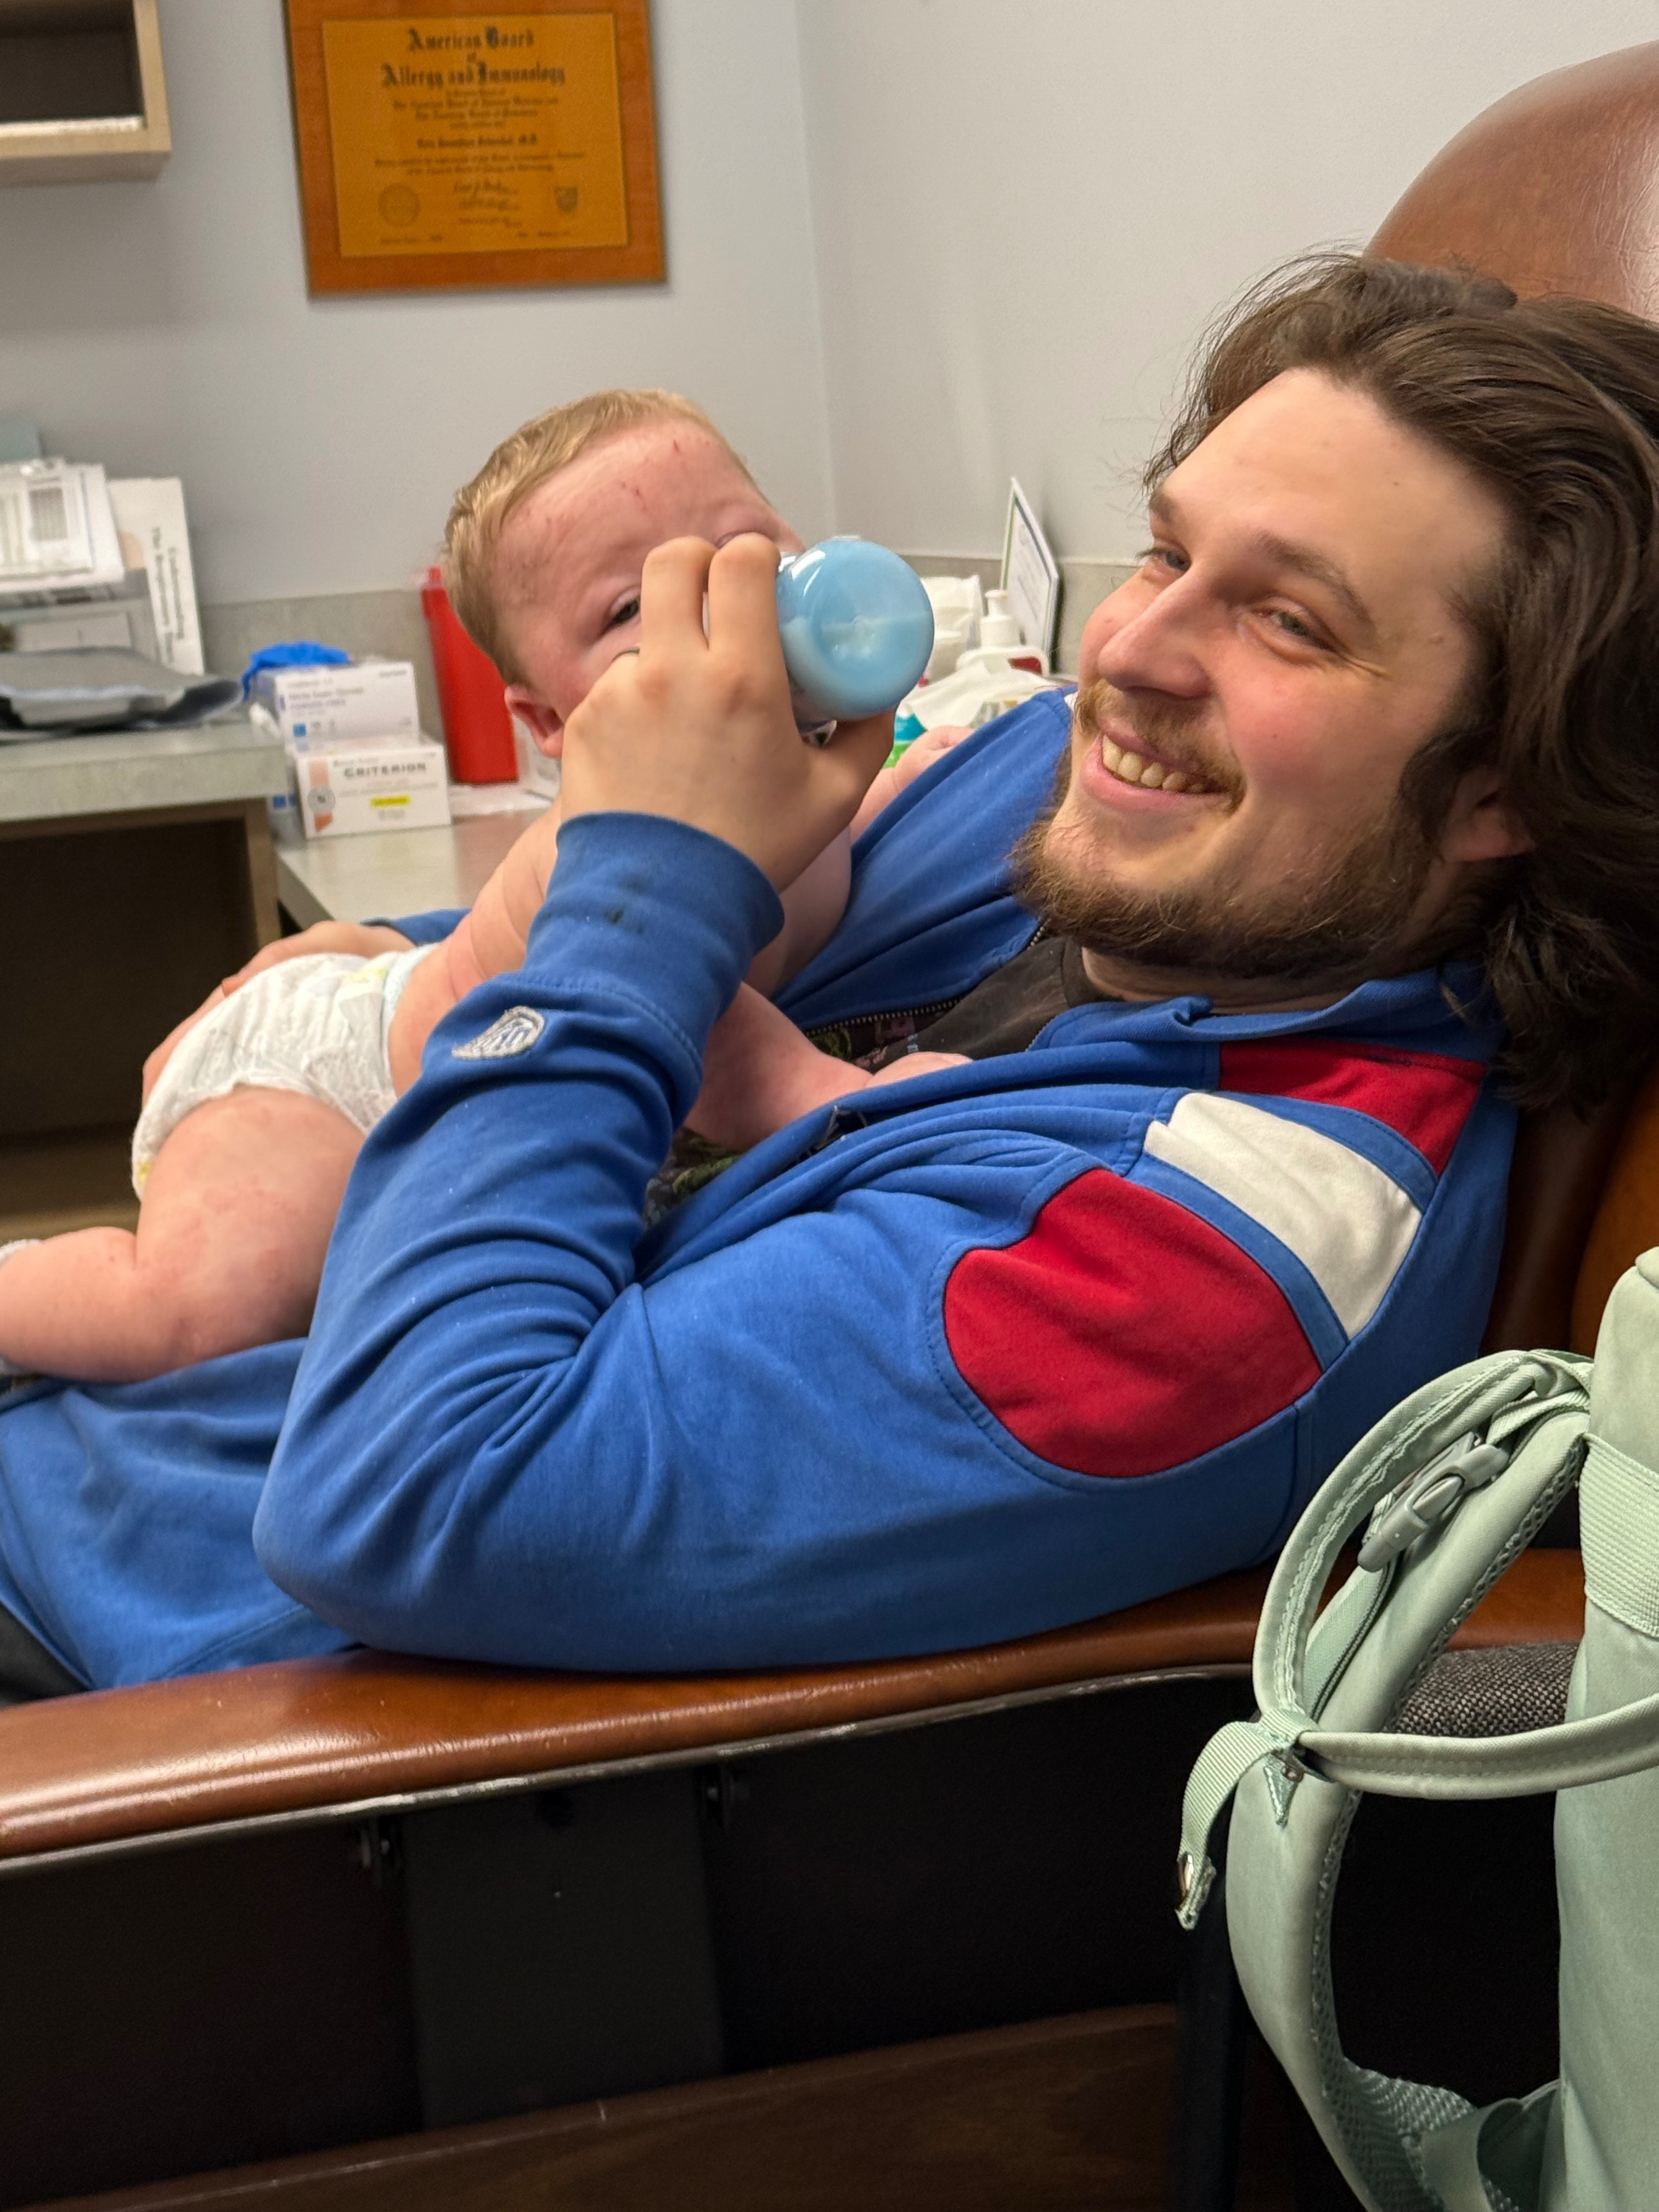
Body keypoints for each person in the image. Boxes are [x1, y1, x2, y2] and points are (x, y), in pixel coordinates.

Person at [5, 253, 1659, 1695]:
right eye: (1166, 555)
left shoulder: (1197, 1273)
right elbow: (598, 943)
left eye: (1290, 622)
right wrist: (388, 961)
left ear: (1507, 781)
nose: (1128, 653)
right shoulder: (1082, 819)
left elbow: (398, 1497)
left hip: (112, 1657)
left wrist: (646, 879)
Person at [0, 392, 962, 1386]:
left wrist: (905, 778)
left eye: (743, 551)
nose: (717, 611)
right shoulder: (622, 840)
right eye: (632, 608)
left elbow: (830, 830)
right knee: (209, 1312)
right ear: (548, 722)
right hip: (336, 1082)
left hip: (409, 985)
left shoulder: (810, 776)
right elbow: (690, 1019)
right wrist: (842, 1098)